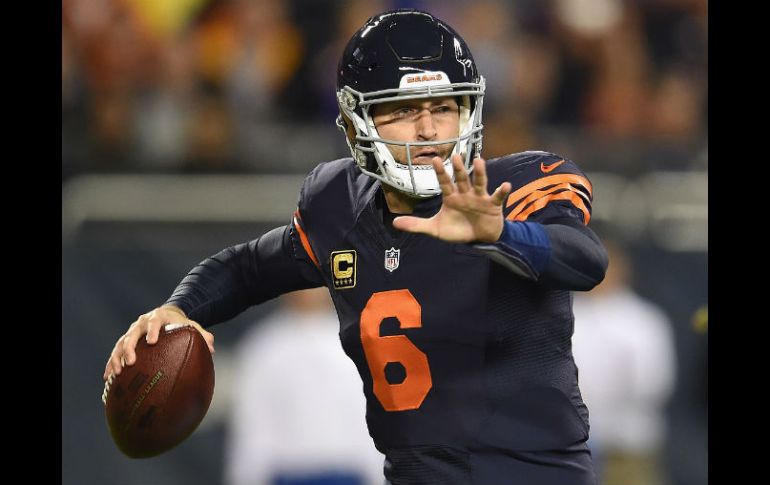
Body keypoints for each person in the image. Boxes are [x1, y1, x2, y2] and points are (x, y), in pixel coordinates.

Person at [103, 9, 608, 485]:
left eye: (443, 107)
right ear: (353, 123)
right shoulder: (339, 207)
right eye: (404, 109)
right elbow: (249, 268)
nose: (428, 129)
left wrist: (501, 234)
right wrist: (177, 308)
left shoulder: (514, 190)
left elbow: (584, 260)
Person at [224, 287, 385, 485]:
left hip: (350, 474)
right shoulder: (262, 349)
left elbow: (373, 422)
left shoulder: (360, 343)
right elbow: (253, 430)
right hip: (287, 475)